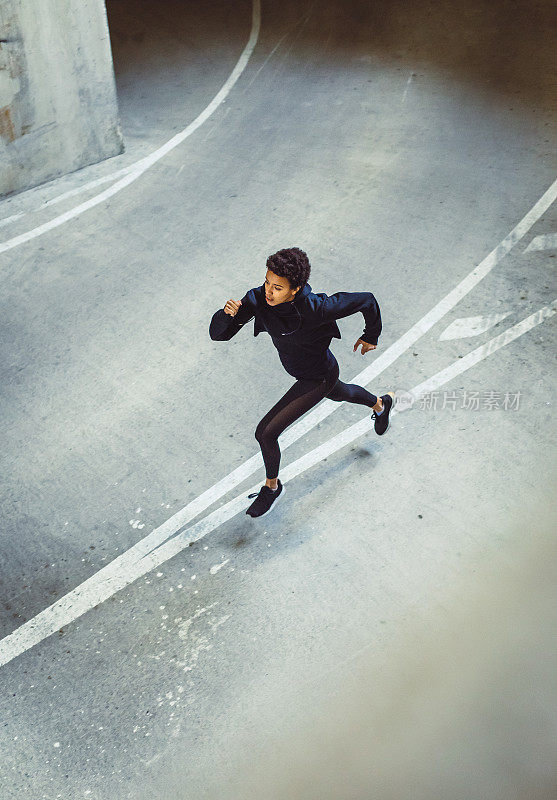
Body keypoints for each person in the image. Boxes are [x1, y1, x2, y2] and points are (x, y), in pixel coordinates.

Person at [209, 247, 394, 518]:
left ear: (295, 289)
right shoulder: (258, 299)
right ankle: (380, 404)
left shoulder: (317, 308)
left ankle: (271, 487)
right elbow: (219, 335)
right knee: (341, 393)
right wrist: (226, 315)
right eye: (267, 282)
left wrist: (371, 335)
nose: (269, 292)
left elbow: (367, 300)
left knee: (266, 433)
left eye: (278, 288)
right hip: (299, 370)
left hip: (319, 375)